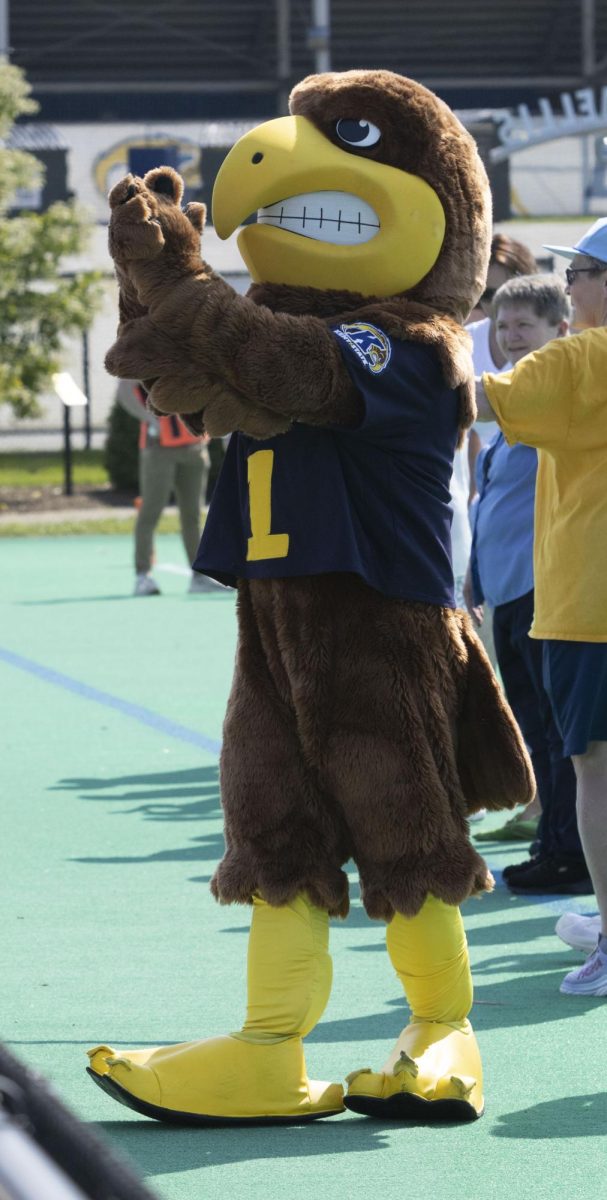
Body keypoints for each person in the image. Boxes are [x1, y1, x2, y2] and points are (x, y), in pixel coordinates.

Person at [475, 217, 607, 994]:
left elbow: (464, 398)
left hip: (590, 602)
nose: (567, 286)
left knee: (593, 769)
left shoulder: (580, 358)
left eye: (578, 272)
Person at [466, 275, 591, 892]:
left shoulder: (561, 391)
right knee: (538, 729)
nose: (510, 337)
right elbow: (492, 504)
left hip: (552, 591)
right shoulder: (520, 408)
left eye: (524, 326)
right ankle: (553, 840)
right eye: (502, 326)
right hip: (514, 592)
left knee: (569, 741)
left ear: (560, 329)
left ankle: (567, 852)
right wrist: (474, 575)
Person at [115, 378, 212, 596]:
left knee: (193, 514)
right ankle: (143, 575)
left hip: (195, 448)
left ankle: (200, 576)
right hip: (159, 449)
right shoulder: (153, 350)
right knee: (151, 511)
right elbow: (124, 389)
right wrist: (150, 420)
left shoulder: (197, 350)